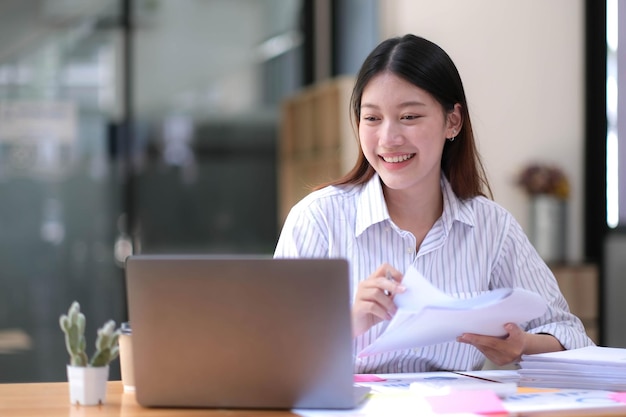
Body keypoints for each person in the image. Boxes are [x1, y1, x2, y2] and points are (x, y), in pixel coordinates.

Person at [274, 34, 594, 373]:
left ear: (452, 121)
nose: (388, 138)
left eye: (409, 117)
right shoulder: (318, 219)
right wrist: (348, 323)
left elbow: (569, 333)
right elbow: (267, 351)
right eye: (372, 118)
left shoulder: (491, 226)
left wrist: (521, 346)